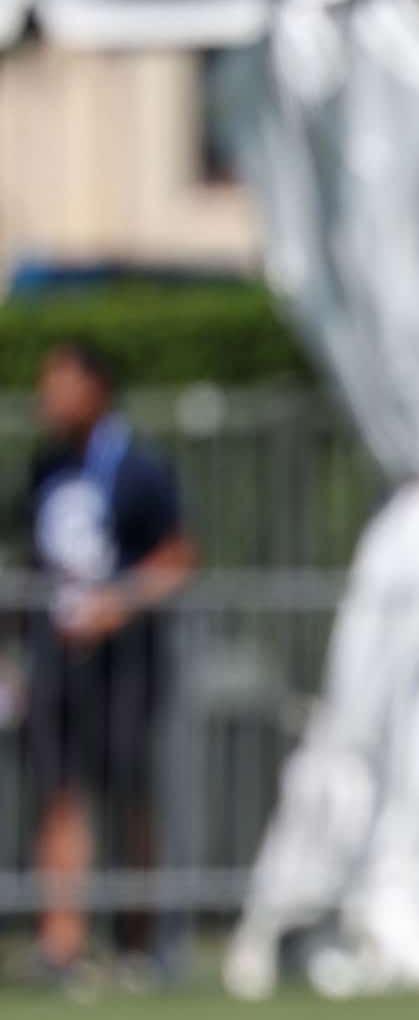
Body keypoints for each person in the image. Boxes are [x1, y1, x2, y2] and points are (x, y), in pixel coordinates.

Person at [20, 339, 197, 981]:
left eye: (60, 383)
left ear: (97, 389)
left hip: (126, 664)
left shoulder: (140, 469)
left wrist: (115, 606)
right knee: (58, 794)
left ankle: (136, 941)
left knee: (129, 795)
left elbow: (178, 556)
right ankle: (61, 943)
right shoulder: (45, 468)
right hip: (55, 662)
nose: (49, 399)